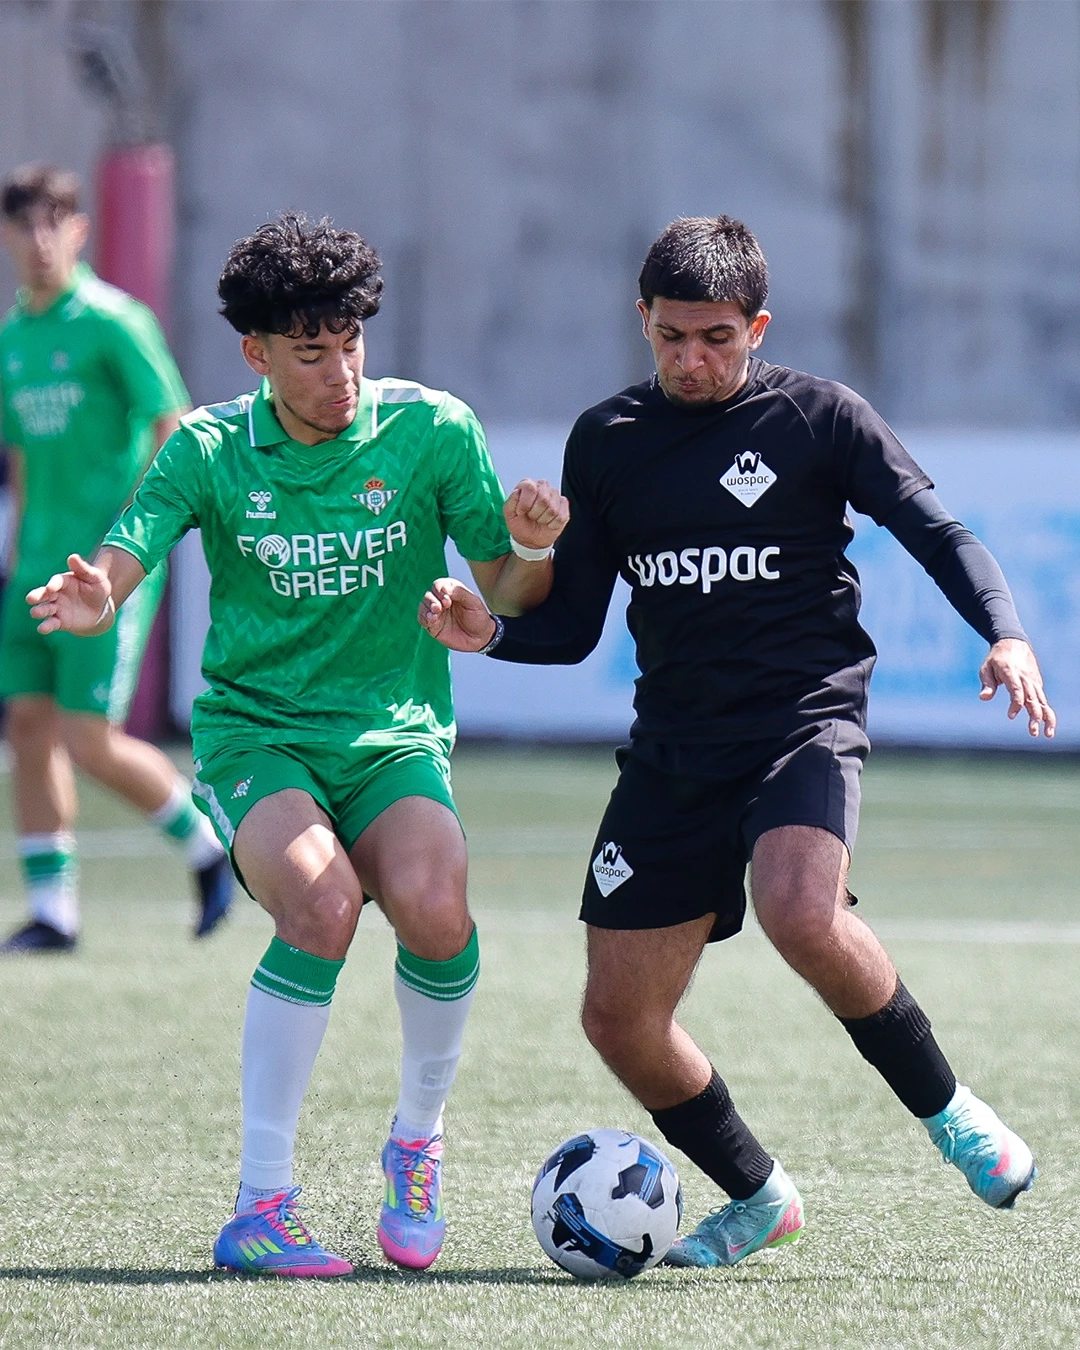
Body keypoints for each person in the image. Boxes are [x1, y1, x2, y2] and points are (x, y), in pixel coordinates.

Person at [419, 215, 1053, 1269]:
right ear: (643, 323)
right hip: (674, 748)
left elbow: (938, 532)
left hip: (802, 715)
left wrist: (1009, 636)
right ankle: (758, 1195)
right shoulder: (607, 440)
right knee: (618, 1020)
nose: (693, 360)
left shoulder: (818, 419)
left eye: (717, 337)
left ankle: (953, 1116)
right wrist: (491, 634)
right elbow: (572, 628)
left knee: (800, 909)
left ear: (758, 326)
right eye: (671, 338)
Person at [27, 212, 568, 1276]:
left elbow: (506, 586)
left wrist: (531, 558)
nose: (340, 374)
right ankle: (261, 1205)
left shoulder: (433, 431)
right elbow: (126, 555)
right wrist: (97, 602)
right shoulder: (210, 448)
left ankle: (418, 1139)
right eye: (310, 353)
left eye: (351, 343)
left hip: (393, 733)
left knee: (436, 898)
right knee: (320, 906)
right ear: (257, 354)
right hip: (255, 734)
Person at [0, 164, 233, 953]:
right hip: (31, 569)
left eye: (51, 224)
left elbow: (177, 425)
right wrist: (17, 548)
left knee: (88, 739)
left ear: (77, 231)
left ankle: (207, 847)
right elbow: (24, 458)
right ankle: (53, 914)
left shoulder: (114, 321)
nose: (37, 243)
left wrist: (136, 544)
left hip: (104, 570)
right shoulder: (12, 338)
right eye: (22, 226)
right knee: (29, 726)